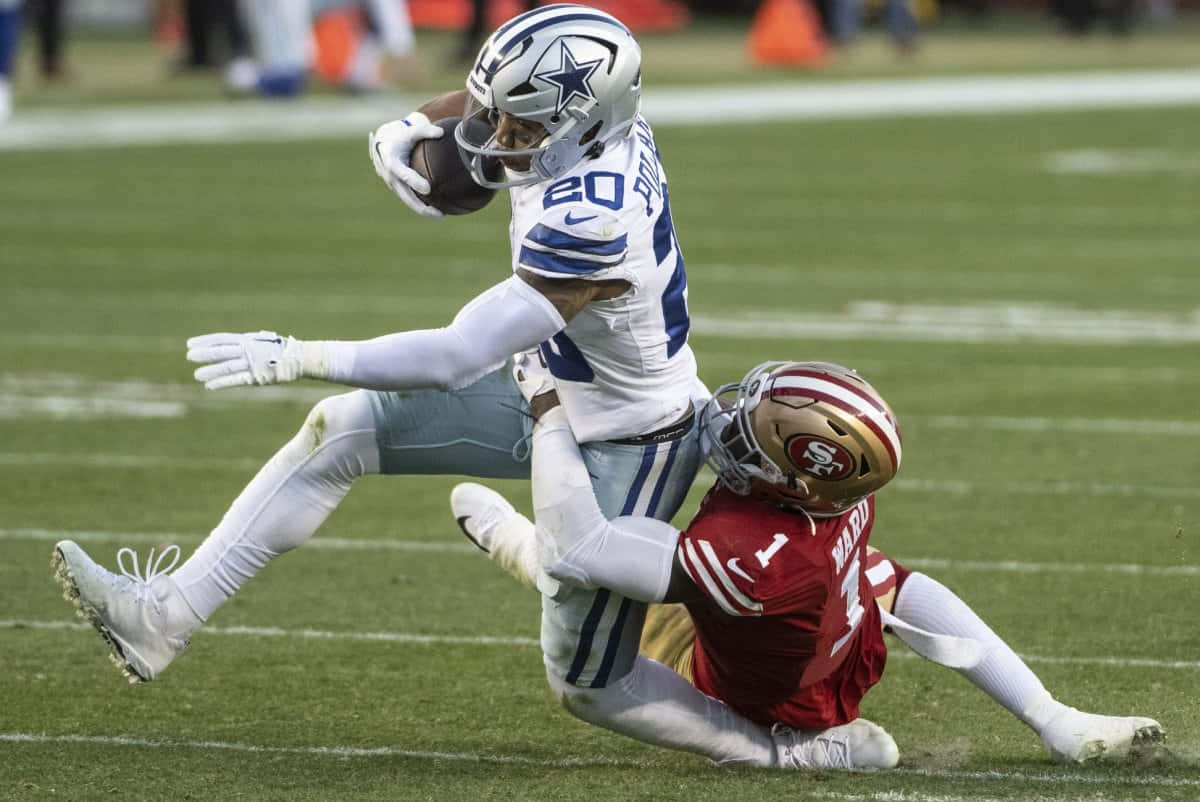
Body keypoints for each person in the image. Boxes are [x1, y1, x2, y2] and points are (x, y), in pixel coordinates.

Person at [52, 5, 845, 771]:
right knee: (344, 430)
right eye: (501, 117)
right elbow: (487, 102)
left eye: (523, 128)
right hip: (557, 381)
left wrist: (293, 354)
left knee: (590, 688)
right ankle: (163, 617)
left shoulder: (594, 216)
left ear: (584, 127)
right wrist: (415, 118)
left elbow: (455, 355)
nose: (499, 140)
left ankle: (779, 750)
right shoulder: (593, 120)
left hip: (628, 438)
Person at [451, 354, 1167, 766]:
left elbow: (586, 546)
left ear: (797, 481)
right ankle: (1053, 718)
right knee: (895, 580)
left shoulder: (754, 554)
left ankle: (783, 751)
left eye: (756, 432)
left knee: (592, 620)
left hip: (765, 691)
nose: (733, 426)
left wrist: (547, 406)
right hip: (839, 634)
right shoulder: (840, 495)